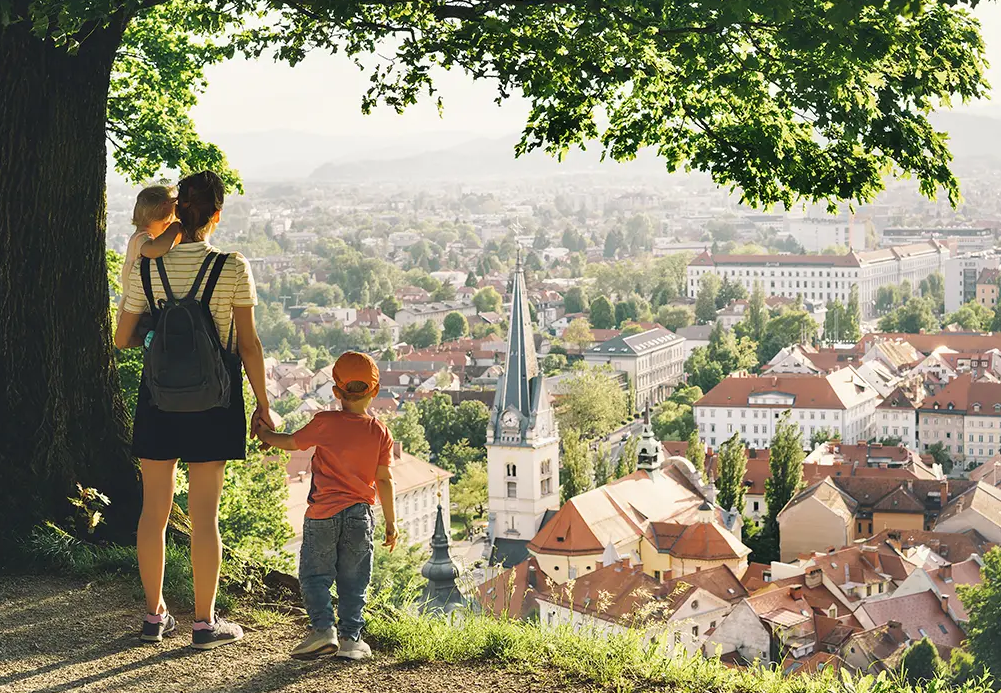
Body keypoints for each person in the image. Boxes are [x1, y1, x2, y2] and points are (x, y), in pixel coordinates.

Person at [115, 171, 272, 650]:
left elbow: (122, 338)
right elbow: (248, 344)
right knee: (206, 517)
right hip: (215, 401)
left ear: (177, 210)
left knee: (153, 512)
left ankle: (152, 616)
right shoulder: (232, 266)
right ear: (218, 214)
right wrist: (265, 406)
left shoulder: (144, 265)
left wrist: (155, 337)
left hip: (158, 398)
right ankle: (204, 623)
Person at [257, 351, 398, 661]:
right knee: (354, 580)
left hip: (322, 513)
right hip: (360, 516)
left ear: (336, 391)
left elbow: (292, 442)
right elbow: (385, 480)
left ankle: (323, 630)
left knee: (314, 576)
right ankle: (350, 639)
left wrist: (265, 434)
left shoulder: (324, 422)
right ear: (374, 392)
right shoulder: (380, 432)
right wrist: (391, 523)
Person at [116, 185, 182, 322]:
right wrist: (176, 228)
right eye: (168, 224)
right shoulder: (141, 239)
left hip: (137, 307)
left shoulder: (139, 237)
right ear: (165, 222)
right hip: (133, 310)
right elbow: (153, 251)